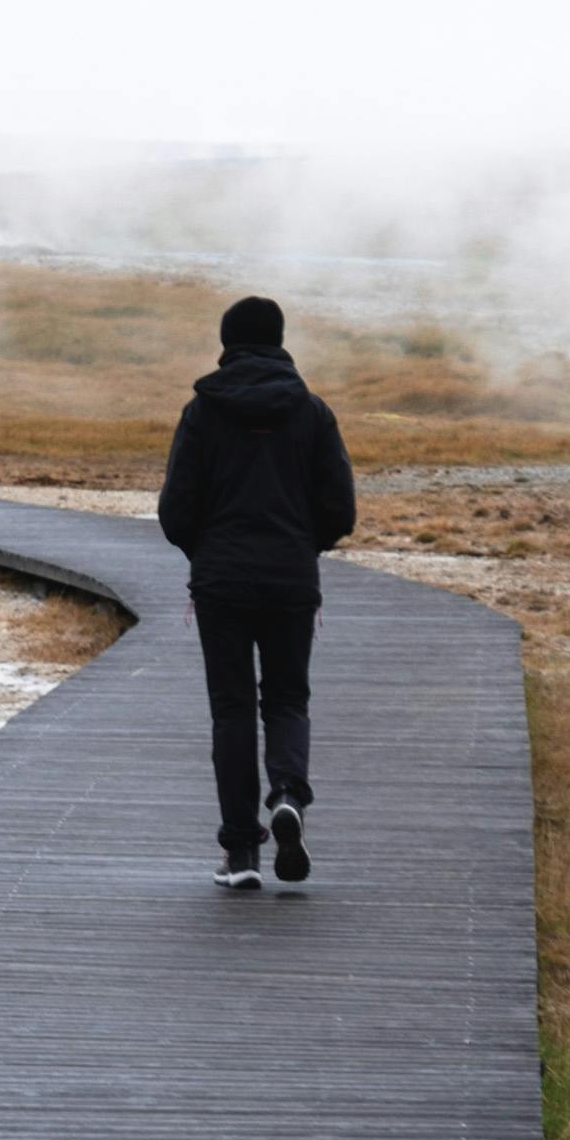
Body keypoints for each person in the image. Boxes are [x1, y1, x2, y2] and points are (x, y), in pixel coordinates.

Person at [155, 293, 356, 889]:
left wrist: (205, 553)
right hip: (292, 579)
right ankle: (288, 794)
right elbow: (340, 510)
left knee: (233, 709)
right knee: (288, 699)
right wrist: (303, 546)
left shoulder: (202, 411)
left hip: (221, 582)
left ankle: (242, 853)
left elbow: (175, 510)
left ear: (227, 342)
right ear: (280, 339)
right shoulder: (313, 413)